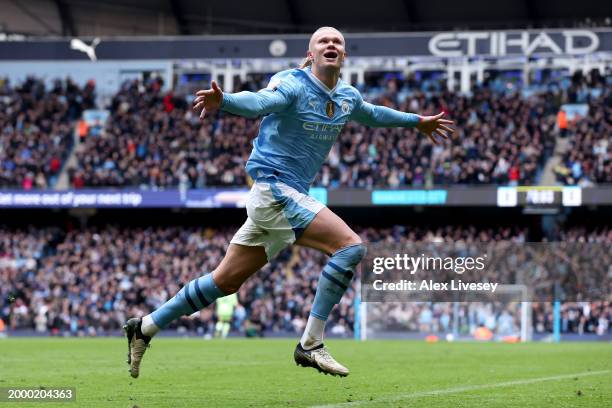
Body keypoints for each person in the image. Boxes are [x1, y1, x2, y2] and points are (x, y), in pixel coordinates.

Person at [124, 26, 454, 378]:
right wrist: (228, 101)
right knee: (350, 247)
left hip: (286, 196)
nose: (331, 44)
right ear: (311, 54)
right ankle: (311, 344)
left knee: (225, 282)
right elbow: (260, 102)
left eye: (337, 42)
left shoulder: (347, 96)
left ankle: (144, 327)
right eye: (323, 41)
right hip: (274, 189)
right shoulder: (293, 84)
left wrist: (416, 121)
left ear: (343, 56)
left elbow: (373, 114)